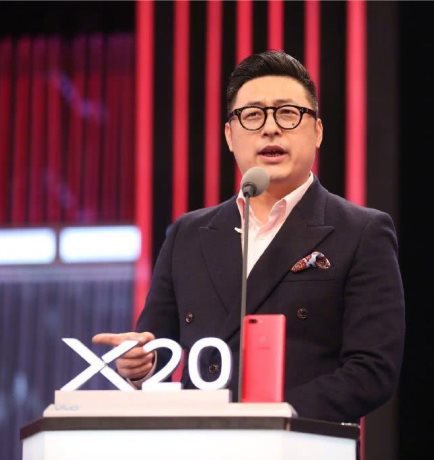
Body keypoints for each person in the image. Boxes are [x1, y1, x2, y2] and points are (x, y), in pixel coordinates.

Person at [93, 50, 405, 423]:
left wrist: (272, 415)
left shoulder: (362, 232)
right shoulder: (187, 235)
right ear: (229, 135)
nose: (270, 128)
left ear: (318, 131)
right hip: (200, 440)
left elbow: (373, 370)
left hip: (299, 441)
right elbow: (157, 347)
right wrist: (138, 363)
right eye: (253, 115)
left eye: (288, 113)